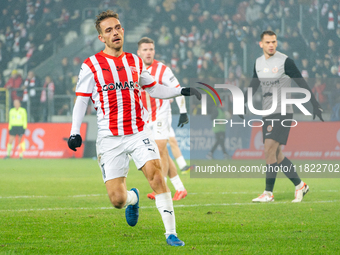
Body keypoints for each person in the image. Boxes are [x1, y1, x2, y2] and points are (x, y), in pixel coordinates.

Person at [67, 10, 201, 246]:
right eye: (108, 30)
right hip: (109, 138)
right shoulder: (91, 65)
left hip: (139, 132)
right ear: (101, 37)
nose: (115, 32)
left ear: (123, 30)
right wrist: (74, 131)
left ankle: (171, 233)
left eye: (117, 27)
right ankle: (133, 198)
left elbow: (154, 88)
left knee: (156, 176)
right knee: (117, 199)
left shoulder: (135, 61)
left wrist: (180, 91)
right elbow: (81, 99)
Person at [241, 31, 323, 203]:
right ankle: (300, 185)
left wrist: (314, 104)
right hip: (267, 112)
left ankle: (268, 193)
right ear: (261, 44)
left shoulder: (285, 61)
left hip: (282, 111)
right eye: (268, 42)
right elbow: (254, 84)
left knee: (269, 150)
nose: (271, 45)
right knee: (277, 154)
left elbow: (301, 82)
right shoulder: (258, 63)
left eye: (274, 42)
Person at [137, 37, 188, 201]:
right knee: (163, 152)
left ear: (154, 51)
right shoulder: (134, 68)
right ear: (139, 52)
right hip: (146, 117)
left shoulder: (162, 69)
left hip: (161, 114)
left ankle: (162, 188)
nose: (148, 52)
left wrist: (183, 111)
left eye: (151, 49)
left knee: (159, 149)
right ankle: (180, 188)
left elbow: (178, 89)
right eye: (145, 49)